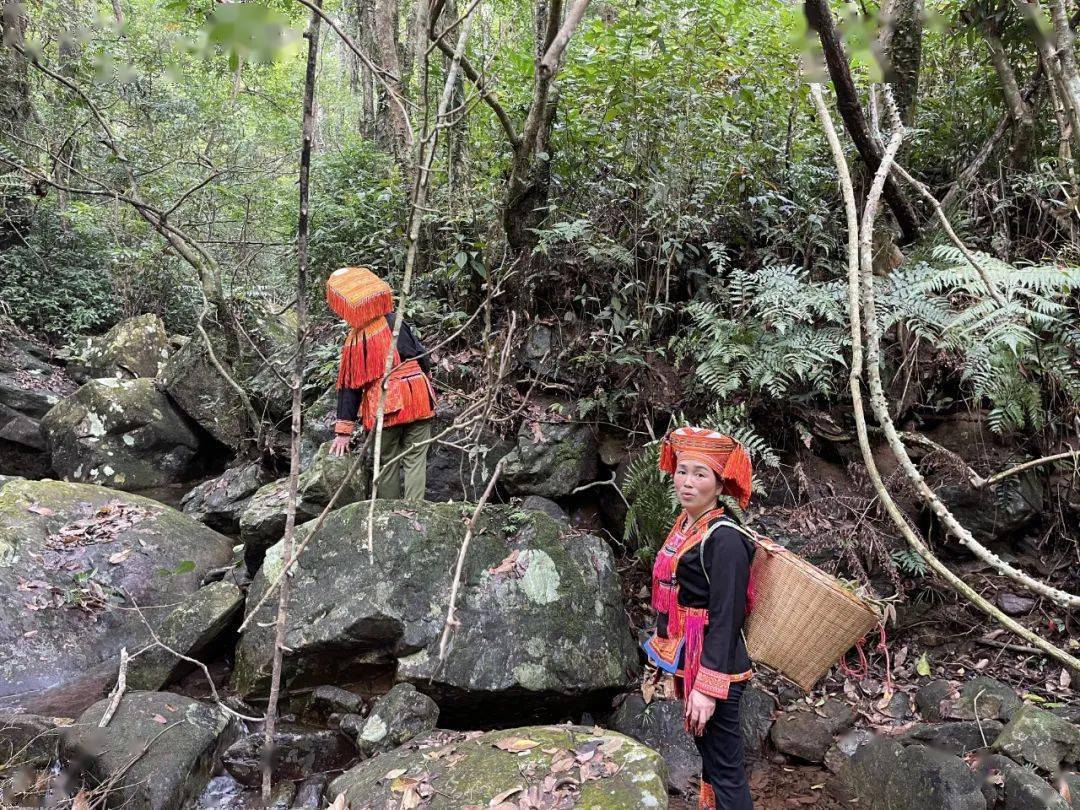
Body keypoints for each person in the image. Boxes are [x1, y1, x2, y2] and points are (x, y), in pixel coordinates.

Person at [643, 426, 756, 810]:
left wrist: (707, 688)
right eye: (682, 471)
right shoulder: (686, 525)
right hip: (691, 658)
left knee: (725, 769)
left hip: (717, 669)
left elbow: (728, 617)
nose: (687, 482)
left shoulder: (724, 540)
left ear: (720, 485)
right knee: (711, 759)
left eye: (700, 474)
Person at [325, 266, 436, 500]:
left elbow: (350, 387)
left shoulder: (356, 340)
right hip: (419, 396)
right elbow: (421, 357)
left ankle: (390, 513)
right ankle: (416, 510)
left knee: (387, 462)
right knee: (416, 458)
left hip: (387, 404)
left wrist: (343, 431)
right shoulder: (396, 321)